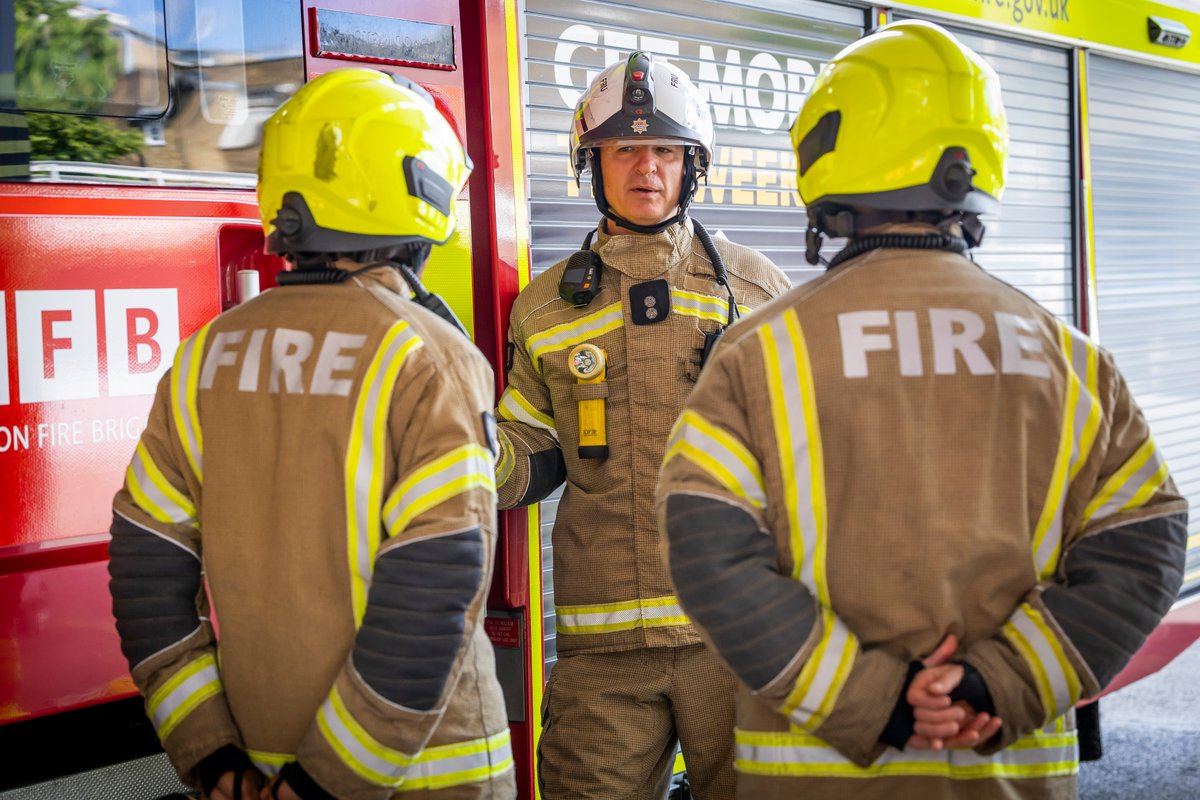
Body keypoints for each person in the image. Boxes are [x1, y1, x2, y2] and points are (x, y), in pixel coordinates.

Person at [657, 20, 1188, 800]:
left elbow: (706, 550)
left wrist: (877, 701)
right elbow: (1145, 544)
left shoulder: (759, 354)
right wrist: (995, 683)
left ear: (829, 155)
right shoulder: (1072, 360)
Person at [107, 68, 515, 800]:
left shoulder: (204, 358)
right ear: (415, 195)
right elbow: (435, 588)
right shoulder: (427, 356)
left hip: (253, 768)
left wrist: (213, 756)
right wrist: (325, 783)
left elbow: (147, 577)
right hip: (425, 778)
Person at [494, 51, 790, 799]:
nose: (646, 167)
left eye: (665, 149)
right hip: (605, 651)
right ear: (592, 164)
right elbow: (530, 456)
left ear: (693, 165)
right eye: (624, 149)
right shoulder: (544, 309)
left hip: (738, 634)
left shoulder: (756, 292)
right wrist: (456, 446)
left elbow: (813, 457)